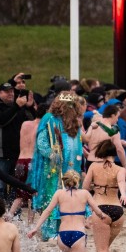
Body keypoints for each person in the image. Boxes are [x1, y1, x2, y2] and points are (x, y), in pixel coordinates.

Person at [28, 170, 111, 252]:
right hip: (78, 235)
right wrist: (104, 217)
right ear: (77, 181)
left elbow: (47, 211)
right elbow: (98, 212)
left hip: (62, 236)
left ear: (65, 181)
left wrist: (36, 228)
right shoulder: (85, 194)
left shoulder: (59, 193)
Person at [28, 91, 85, 240]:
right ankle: (49, 231)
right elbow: (41, 143)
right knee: (52, 196)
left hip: (71, 168)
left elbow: (78, 142)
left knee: (70, 197)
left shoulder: (74, 122)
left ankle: (65, 227)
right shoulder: (49, 119)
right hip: (54, 168)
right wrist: (53, 155)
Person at [84, 139, 126, 252]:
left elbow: (85, 188)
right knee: (105, 249)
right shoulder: (120, 169)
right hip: (118, 211)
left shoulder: (93, 167)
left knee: (102, 251)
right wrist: (124, 194)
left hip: (100, 210)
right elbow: (121, 182)